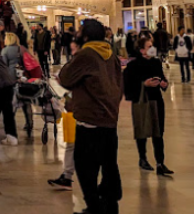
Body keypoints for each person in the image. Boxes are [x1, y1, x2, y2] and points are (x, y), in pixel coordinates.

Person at [58, 19, 123, 214]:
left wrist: (75, 55)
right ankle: (111, 204)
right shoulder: (111, 55)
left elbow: (65, 77)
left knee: (85, 167)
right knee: (108, 164)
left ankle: (95, 207)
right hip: (109, 119)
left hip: (90, 120)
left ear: (85, 36)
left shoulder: (87, 54)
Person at [123, 33, 173, 175]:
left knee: (158, 132)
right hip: (142, 101)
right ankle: (142, 158)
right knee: (142, 130)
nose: (152, 49)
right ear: (142, 50)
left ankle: (160, 162)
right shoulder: (133, 65)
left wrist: (163, 83)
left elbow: (162, 78)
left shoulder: (156, 62)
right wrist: (144, 84)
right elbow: (128, 84)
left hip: (156, 100)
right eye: (149, 47)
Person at [48, 35, 81, 195]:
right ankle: (67, 176)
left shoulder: (80, 64)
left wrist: (62, 82)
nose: (72, 50)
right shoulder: (75, 63)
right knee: (71, 144)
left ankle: (72, 176)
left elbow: (70, 82)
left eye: (74, 48)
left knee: (76, 145)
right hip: (72, 107)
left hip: (80, 109)